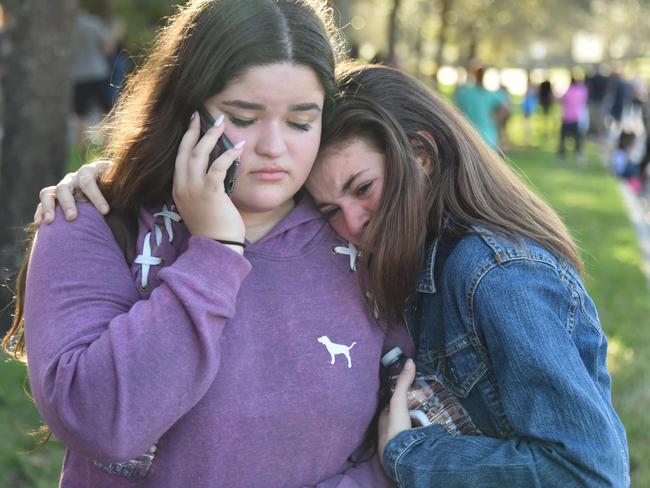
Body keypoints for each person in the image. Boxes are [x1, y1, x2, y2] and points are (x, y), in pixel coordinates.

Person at [37, 63, 631, 487]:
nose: (350, 224)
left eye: (364, 190)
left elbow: (590, 471)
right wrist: (118, 177)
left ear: (421, 158)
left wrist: (408, 457)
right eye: (327, 209)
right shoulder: (403, 255)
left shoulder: (494, 276)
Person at [3, 2, 406, 487]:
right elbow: (100, 422)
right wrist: (214, 253)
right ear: (184, 110)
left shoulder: (361, 233)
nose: (274, 147)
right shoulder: (92, 221)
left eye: (301, 122)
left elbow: (416, 424)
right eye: (243, 116)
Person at [71, 4, 115, 144]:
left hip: (78, 74)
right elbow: (108, 49)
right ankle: (109, 143)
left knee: (80, 114)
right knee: (106, 110)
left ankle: (82, 147)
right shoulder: (94, 23)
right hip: (98, 72)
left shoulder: (67, 28)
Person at [453, 63, 509, 151]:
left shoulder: (464, 93)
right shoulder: (489, 94)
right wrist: (495, 118)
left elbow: (456, 109)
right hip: (488, 137)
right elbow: (506, 106)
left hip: (469, 135)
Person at [558, 75, 589, 163]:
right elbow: (584, 100)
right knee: (578, 138)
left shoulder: (568, 91)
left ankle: (562, 154)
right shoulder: (582, 91)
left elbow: (561, 100)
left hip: (566, 117)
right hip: (577, 118)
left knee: (563, 138)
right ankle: (578, 154)